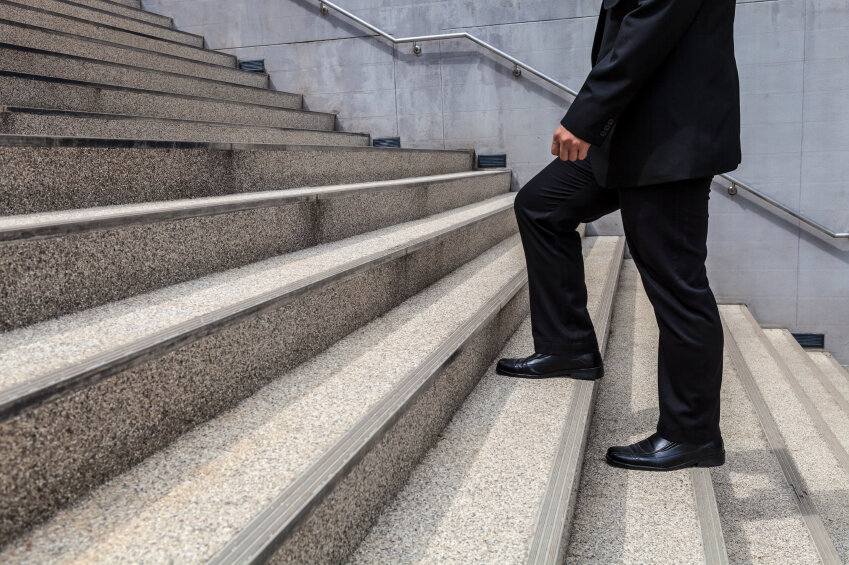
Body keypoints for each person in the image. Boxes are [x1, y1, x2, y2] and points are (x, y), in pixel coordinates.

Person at [495, 0, 741, 471]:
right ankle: (568, 347)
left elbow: (646, 31)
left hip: (670, 142)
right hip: (631, 135)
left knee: (675, 280)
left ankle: (693, 433)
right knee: (542, 207)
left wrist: (585, 116)